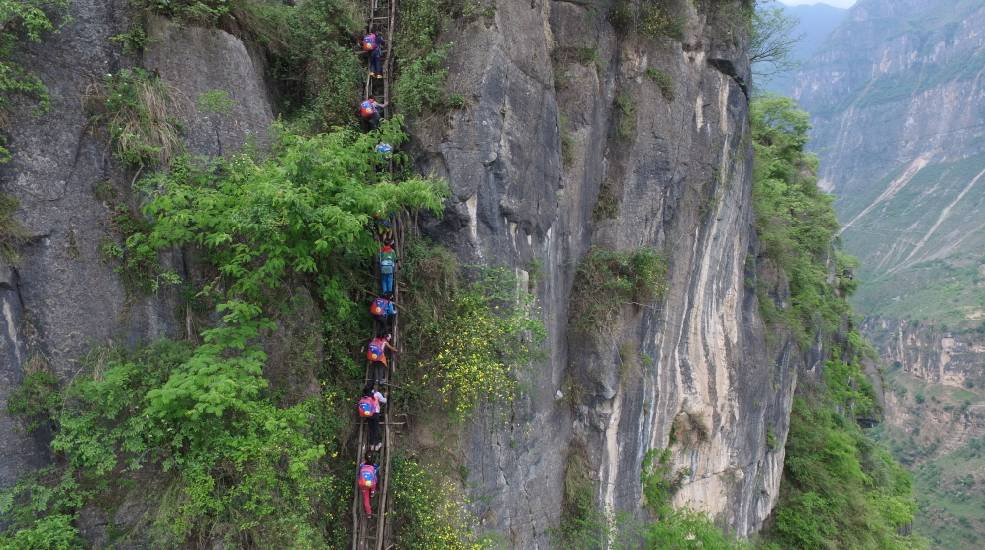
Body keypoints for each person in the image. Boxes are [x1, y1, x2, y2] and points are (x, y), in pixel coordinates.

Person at [357, 383, 387, 451]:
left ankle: (372, 445)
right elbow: (384, 401)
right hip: (375, 413)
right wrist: (385, 396)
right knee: (375, 428)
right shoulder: (377, 394)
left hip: (368, 414)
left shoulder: (365, 395)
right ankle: (377, 445)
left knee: (371, 429)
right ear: (373, 388)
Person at [357, 454, 379, 518]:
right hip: (370, 484)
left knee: (366, 499)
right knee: (374, 482)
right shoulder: (374, 467)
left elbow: (361, 466)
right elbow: (376, 471)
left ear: (365, 459)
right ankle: (372, 493)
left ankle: (369, 514)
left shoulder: (362, 465)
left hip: (363, 484)